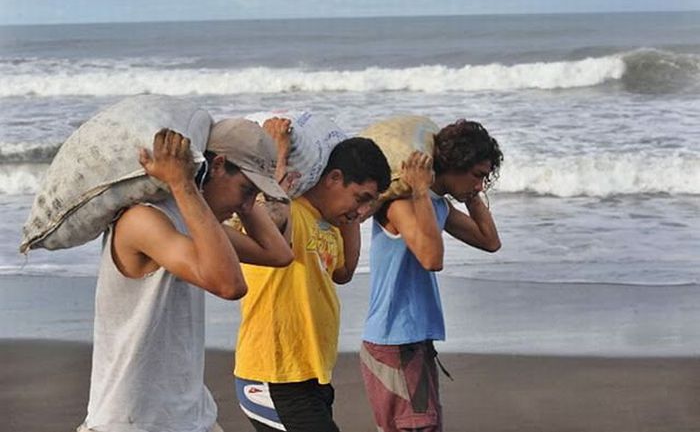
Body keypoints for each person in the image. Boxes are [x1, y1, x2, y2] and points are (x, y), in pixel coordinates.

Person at [78, 119, 294, 432]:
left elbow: (279, 254)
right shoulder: (144, 220)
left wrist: (246, 203)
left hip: (191, 415)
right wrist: (183, 184)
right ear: (217, 165)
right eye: (246, 190)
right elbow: (229, 284)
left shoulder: (198, 225)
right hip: (134, 421)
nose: (247, 204)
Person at [233, 122, 391, 432]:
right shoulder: (290, 213)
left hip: (311, 376)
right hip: (274, 376)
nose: (362, 210)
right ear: (334, 178)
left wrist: (352, 215)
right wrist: (279, 153)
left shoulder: (327, 225)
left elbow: (344, 272)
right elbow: (263, 214)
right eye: (360, 197)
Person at [360, 119, 503, 432]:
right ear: (455, 165)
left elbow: (490, 241)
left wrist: (472, 195)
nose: (480, 183)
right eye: (477, 175)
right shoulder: (401, 204)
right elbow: (431, 257)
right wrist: (421, 190)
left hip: (415, 339)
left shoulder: (436, 206)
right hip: (394, 340)